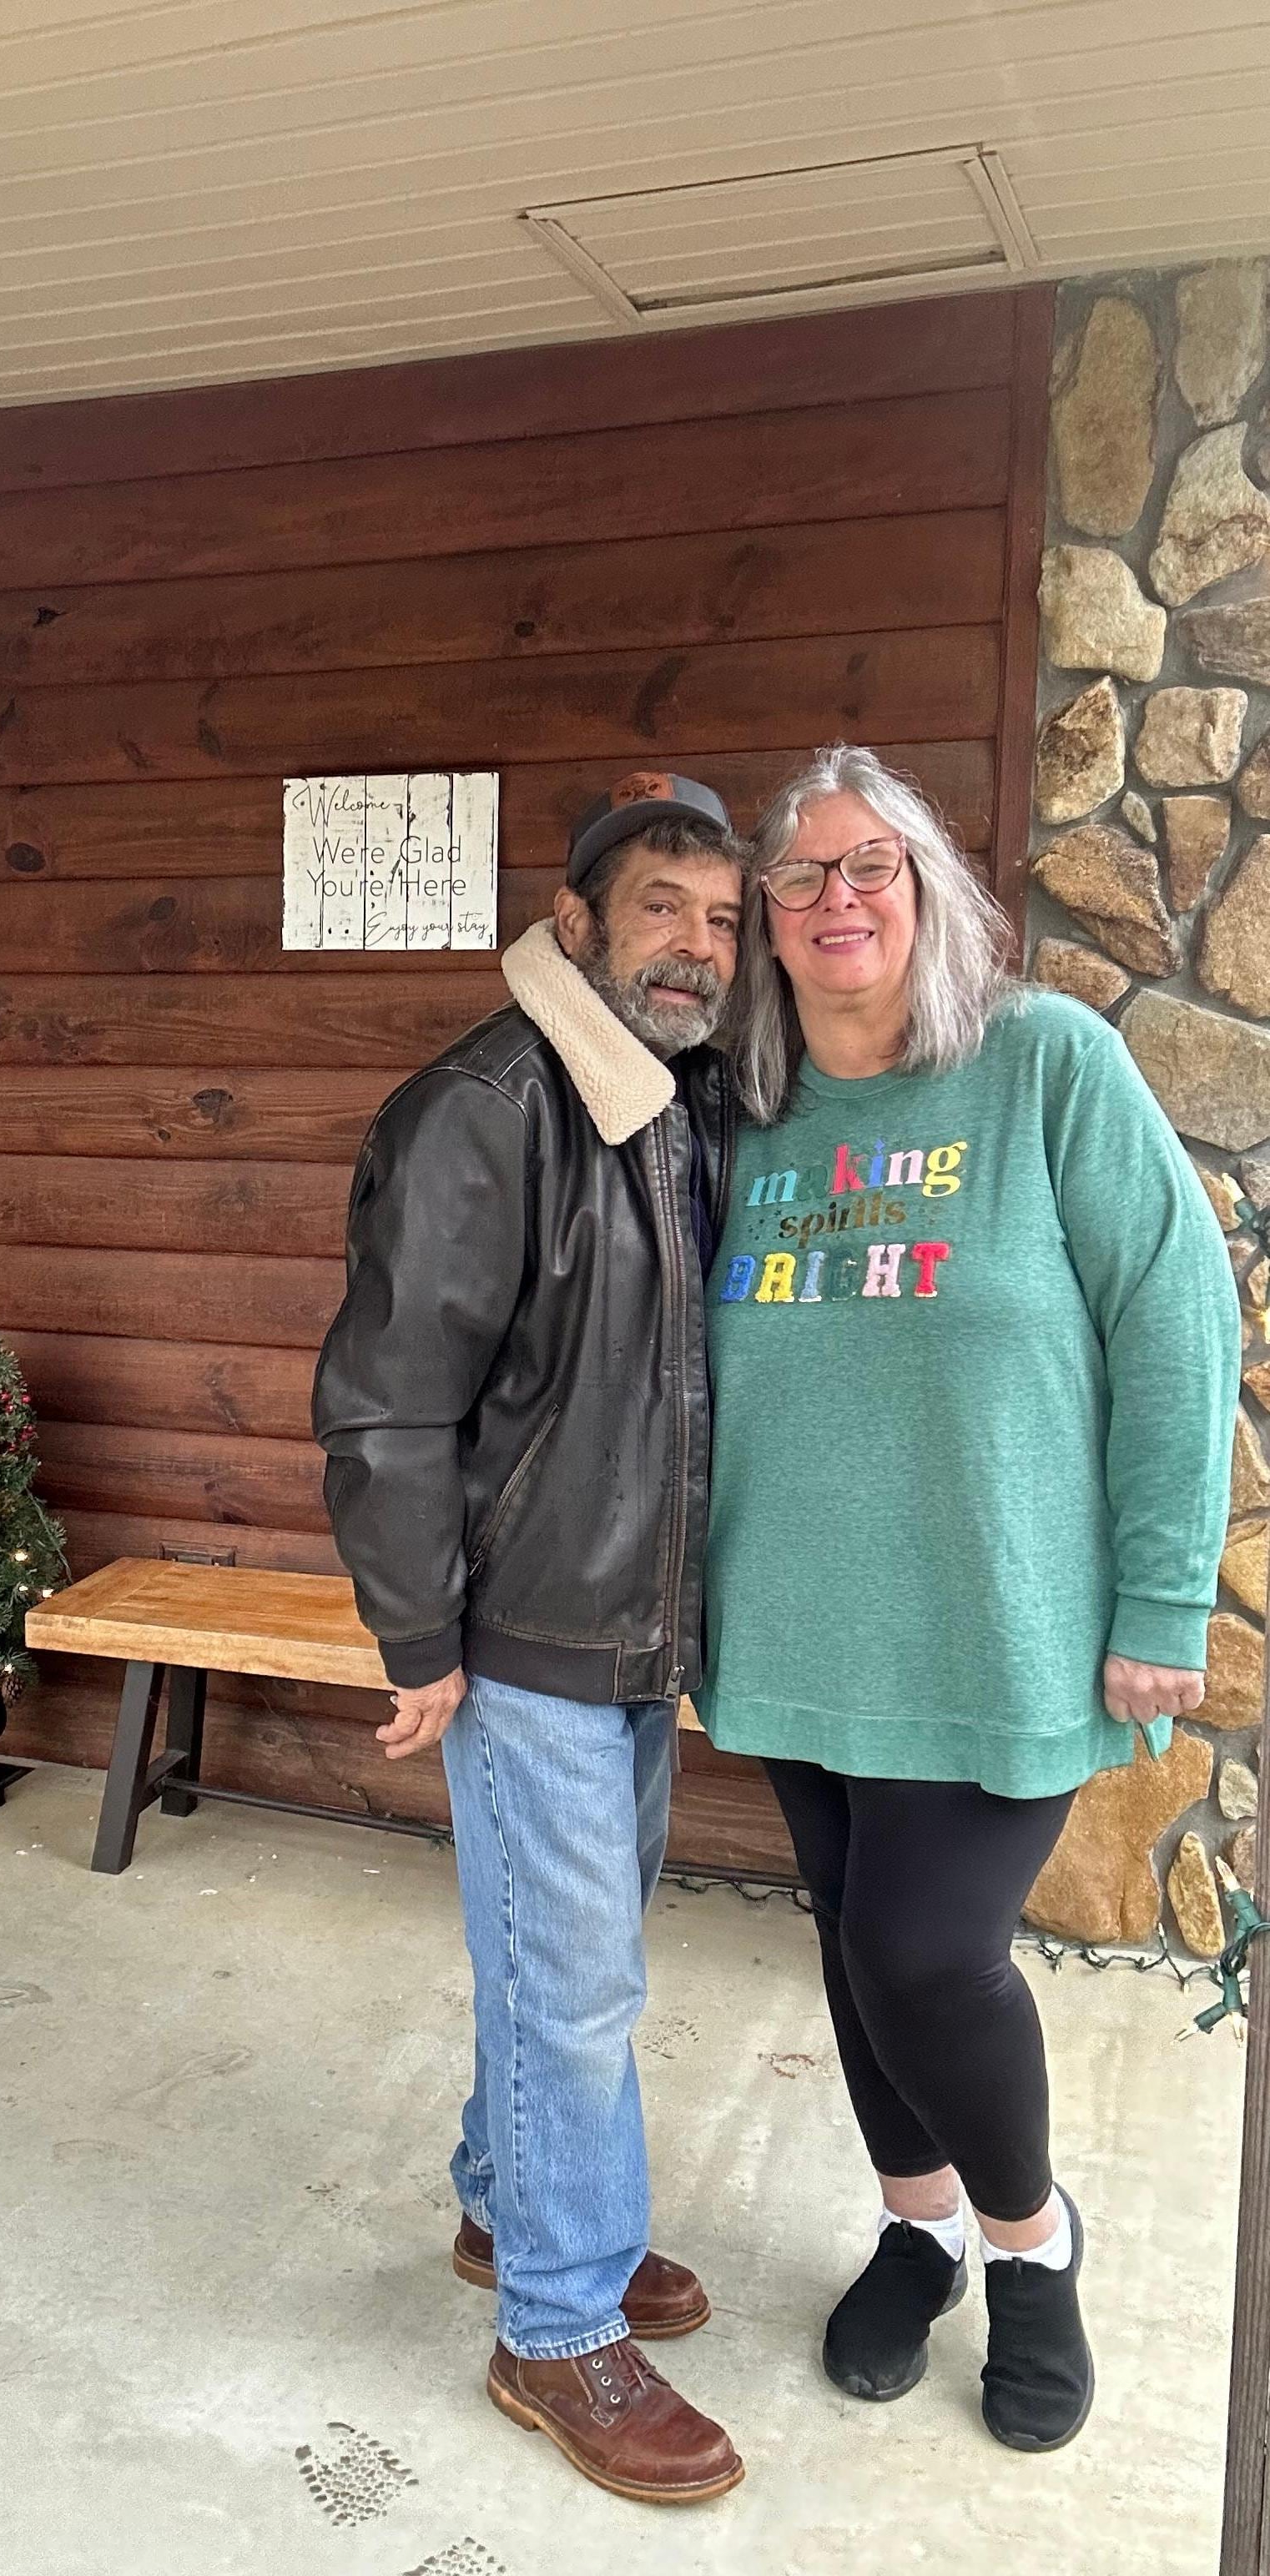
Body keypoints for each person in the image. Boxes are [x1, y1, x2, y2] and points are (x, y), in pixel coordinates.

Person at [698, 743, 1239, 2453]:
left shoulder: (1043, 1064)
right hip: (787, 1617)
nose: (837, 896)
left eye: (873, 863)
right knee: (855, 1945)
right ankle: (918, 2225)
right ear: (765, 921)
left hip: (994, 1623)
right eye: (800, 875)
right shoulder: (742, 1112)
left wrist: (1163, 1597)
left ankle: (1030, 2243)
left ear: (927, 892)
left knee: (924, 1952)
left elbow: (1177, 1320)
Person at [314, 772, 748, 2507]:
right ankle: (559, 2325)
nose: (696, 946)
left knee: (560, 1957)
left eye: (722, 920)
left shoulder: (676, 1101)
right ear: (574, 921)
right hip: (523, 1637)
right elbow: (386, 1403)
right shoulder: (485, 1110)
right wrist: (418, 1634)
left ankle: (516, 2207)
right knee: (576, 1991)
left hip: (627, 1627)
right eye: (661, 908)